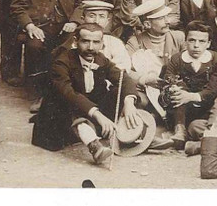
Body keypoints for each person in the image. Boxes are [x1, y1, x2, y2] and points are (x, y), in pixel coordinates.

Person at [31, 23, 143, 163]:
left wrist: (129, 102)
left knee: (120, 92)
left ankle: (134, 134)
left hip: (88, 111)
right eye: (85, 41)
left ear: (102, 43)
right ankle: (94, 145)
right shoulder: (61, 62)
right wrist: (99, 116)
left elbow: (123, 78)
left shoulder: (101, 59)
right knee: (64, 101)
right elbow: (69, 94)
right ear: (75, 41)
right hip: (63, 115)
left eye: (96, 42)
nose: (91, 47)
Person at [161, 20, 217, 145]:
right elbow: (169, 78)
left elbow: (214, 89)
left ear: (208, 43)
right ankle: (179, 129)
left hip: (206, 107)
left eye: (202, 41)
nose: (196, 46)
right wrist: (175, 89)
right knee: (177, 87)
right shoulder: (177, 59)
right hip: (181, 109)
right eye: (192, 40)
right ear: (185, 41)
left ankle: (198, 136)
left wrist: (191, 96)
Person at [64, 0, 131, 70]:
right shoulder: (73, 42)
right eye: (92, 16)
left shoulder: (114, 43)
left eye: (101, 16)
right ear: (83, 19)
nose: (97, 21)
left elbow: (122, 66)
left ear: (107, 21)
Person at [124, 0, 185, 75]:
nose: (168, 21)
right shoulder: (135, 43)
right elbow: (127, 70)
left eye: (167, 16)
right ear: (147, 24)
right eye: (161, 18)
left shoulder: (178, 37)